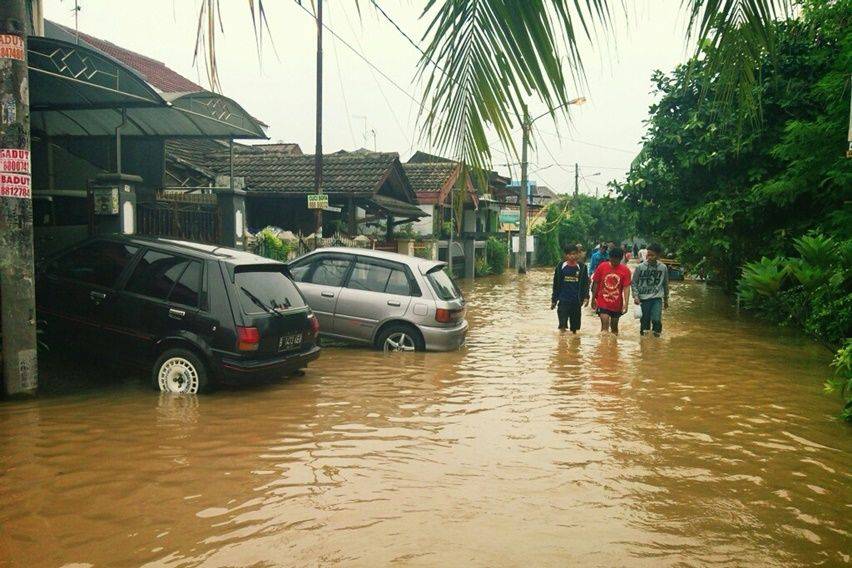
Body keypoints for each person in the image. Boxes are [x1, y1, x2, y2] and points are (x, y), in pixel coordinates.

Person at [590, 246, 632, 334]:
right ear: (609, 257)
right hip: (602, 302)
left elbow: (626, 288)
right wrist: (593, 298)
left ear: (621, 259)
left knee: (614, 329)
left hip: (617, 304)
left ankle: (613, 346)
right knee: (604, 328)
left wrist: (626, 304)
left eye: (616, 261)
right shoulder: (602, 266)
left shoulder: (625, 271)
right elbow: (596, 283)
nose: (614, 262)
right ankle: (604, 347)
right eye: (612, 259)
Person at [632, 243, 669, 337]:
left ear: (658, 255)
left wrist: (666, 300)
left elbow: (665, 284)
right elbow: (634, 283)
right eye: (648, 254)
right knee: (645, 323)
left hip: (657, 298)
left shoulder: (663, 268)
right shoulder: (640, 267)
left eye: (652, 255)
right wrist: (636, 296)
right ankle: (644, 344)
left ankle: (657, 341)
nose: (649, 257)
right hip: (643, 299)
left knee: (656, 320)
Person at [551, 244, 590, 333]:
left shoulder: (582, 267)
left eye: (574, 254)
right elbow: (556, 284)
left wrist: (586, 297)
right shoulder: (560, 266)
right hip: (563, 300)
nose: (572, 256)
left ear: (578, 254)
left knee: (574, 329)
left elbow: (585, 284)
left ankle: (574, 345)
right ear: (566, 255)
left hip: (576, 301)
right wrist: (554, 300)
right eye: (570, 254)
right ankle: (562, 345)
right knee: (562, 326)